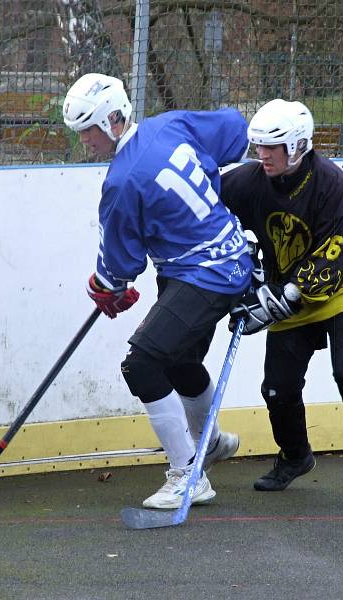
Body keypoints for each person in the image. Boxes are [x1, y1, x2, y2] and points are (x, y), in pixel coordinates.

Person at [62, 73, 253, 509]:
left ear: (113, 119)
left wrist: (105, 287)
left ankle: (189, 475)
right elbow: (234, 131)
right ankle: (213, 442)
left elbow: (119, 269)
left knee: (142, 365)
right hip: (228, 256)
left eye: (89, 129)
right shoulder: (169, 124)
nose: (85, 140)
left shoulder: (122, 181)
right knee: (180, 360)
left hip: (204, 274)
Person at [220, 99, 343, 509]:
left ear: (299, 146)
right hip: (287, 293)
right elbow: (211, 209)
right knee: (277, 388)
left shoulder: (331, 182)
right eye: (259, 146)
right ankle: (294, 456)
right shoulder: (249, 181)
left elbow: (335, 253)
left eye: (273, 147)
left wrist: (278, 300)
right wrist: (240, 271)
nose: (262, 155)